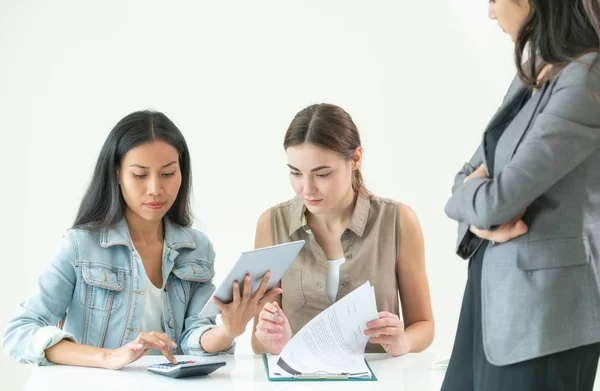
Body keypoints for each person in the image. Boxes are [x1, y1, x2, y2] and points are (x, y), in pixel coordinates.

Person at [2, 110, 279, 369]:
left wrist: (228, 330)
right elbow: (19, 332)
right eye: (139, 174)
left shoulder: (196, 249)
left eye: (168, 173)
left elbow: (193, 340)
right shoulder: (81, 245)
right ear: (117, 174)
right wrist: (108, 357)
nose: (156, 189)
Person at [442, 1, 600, 390]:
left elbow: (497, 202)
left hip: (544, 321)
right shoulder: (536, 74)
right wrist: (480, 218)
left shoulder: (586, 78)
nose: (491, 13)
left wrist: (479, 201)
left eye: (495, 0)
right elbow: (465, 178)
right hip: (490, 300)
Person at [251, 103, 434, 356]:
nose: (307, 188)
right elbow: (258, 341)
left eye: (322, 174)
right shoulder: (271, 224)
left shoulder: (398, 220)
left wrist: (404, 341)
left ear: (355, 159)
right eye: (295, 173)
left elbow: (424, 325)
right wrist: (272, 340)